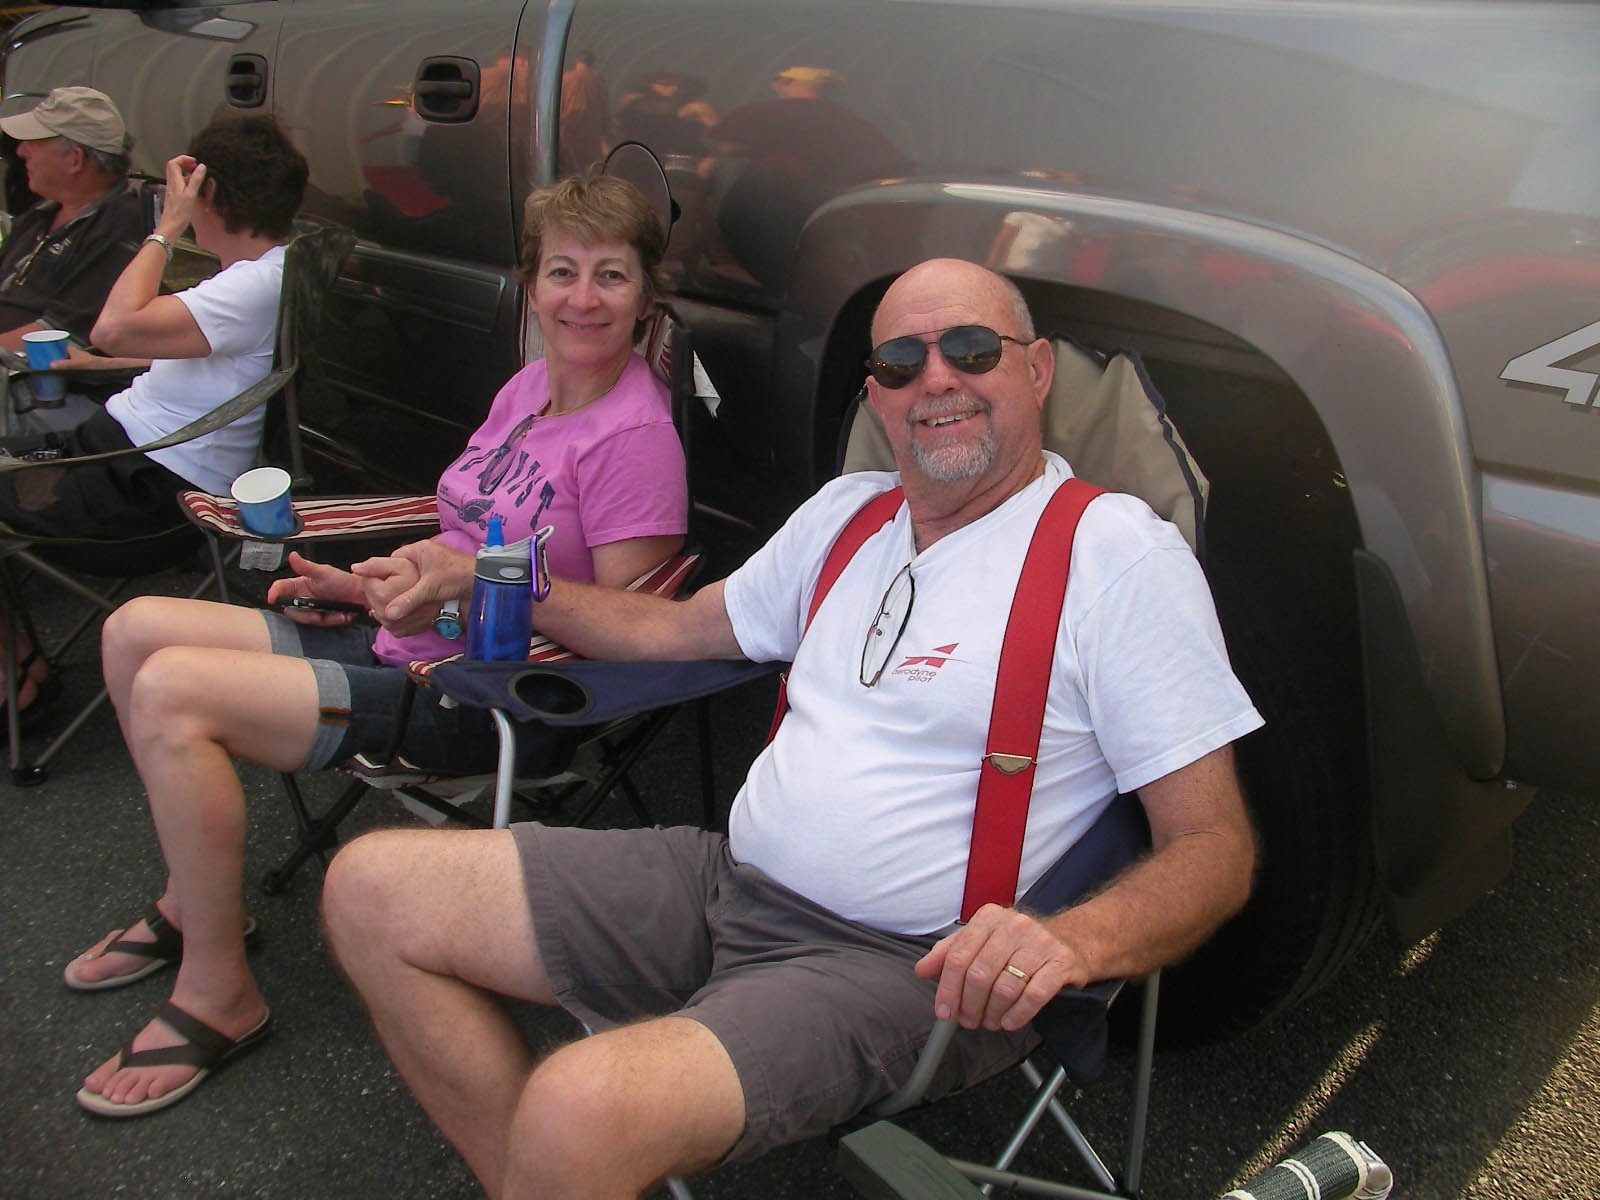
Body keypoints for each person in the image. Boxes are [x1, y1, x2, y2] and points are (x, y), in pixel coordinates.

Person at [318, 257, 1262, 1196]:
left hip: (904, 965)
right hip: (728, 882)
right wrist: (492, 576)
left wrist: (1074, 943)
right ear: (876, 396)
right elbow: (671, 629)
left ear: (1038, 369)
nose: (936, 379)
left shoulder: (1115, 553)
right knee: (370, 889)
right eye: (900, 362)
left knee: (578, 1107)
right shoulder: (848, 514)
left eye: (973, 349)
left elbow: (1213, 846)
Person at [59, 172, 687, 1118]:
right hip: (409, 636)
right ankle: (193, 901)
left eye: (612, 275)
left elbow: (624, 629)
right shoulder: (529, 390)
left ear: (646, 297)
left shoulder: (635, 438)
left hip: (486, 696)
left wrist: (457, 594)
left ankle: (220, 991)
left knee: (173, 692)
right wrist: (363, 587)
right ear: (531, 284)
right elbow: (458, 532)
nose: (584, 299)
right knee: (133, 629)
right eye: (563, 271)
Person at [0, 114, 308, 728]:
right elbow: (211, 351)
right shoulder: (269, 271)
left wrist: (165, 228)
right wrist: (99, 363)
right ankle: (18, 669)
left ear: (205, 194)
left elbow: (115, 324)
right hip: (126, 455)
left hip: (142, 490)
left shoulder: (249, 285)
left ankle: (17, 685)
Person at [0, 87, 147, 350]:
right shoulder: (39, 215)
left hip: (32, 371)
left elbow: (61, 334)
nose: (21, 151)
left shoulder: (119, 226)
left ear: (75, 159)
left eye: (34, 142)